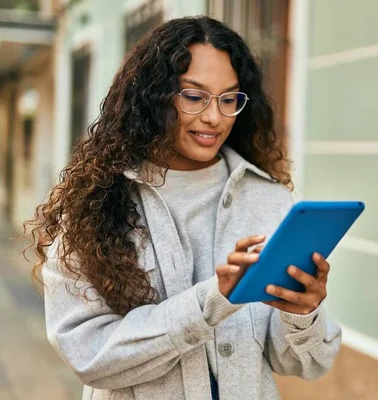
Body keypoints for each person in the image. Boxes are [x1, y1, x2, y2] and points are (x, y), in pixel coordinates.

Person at [24, 15, 341, 400]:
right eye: (194, 96)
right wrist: (210, 301)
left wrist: (302, 312)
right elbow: (88, 354)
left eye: (229, 99)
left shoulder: (268, 198)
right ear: (153, 96)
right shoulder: (96, 202)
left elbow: (303, 364)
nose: (214, 116)